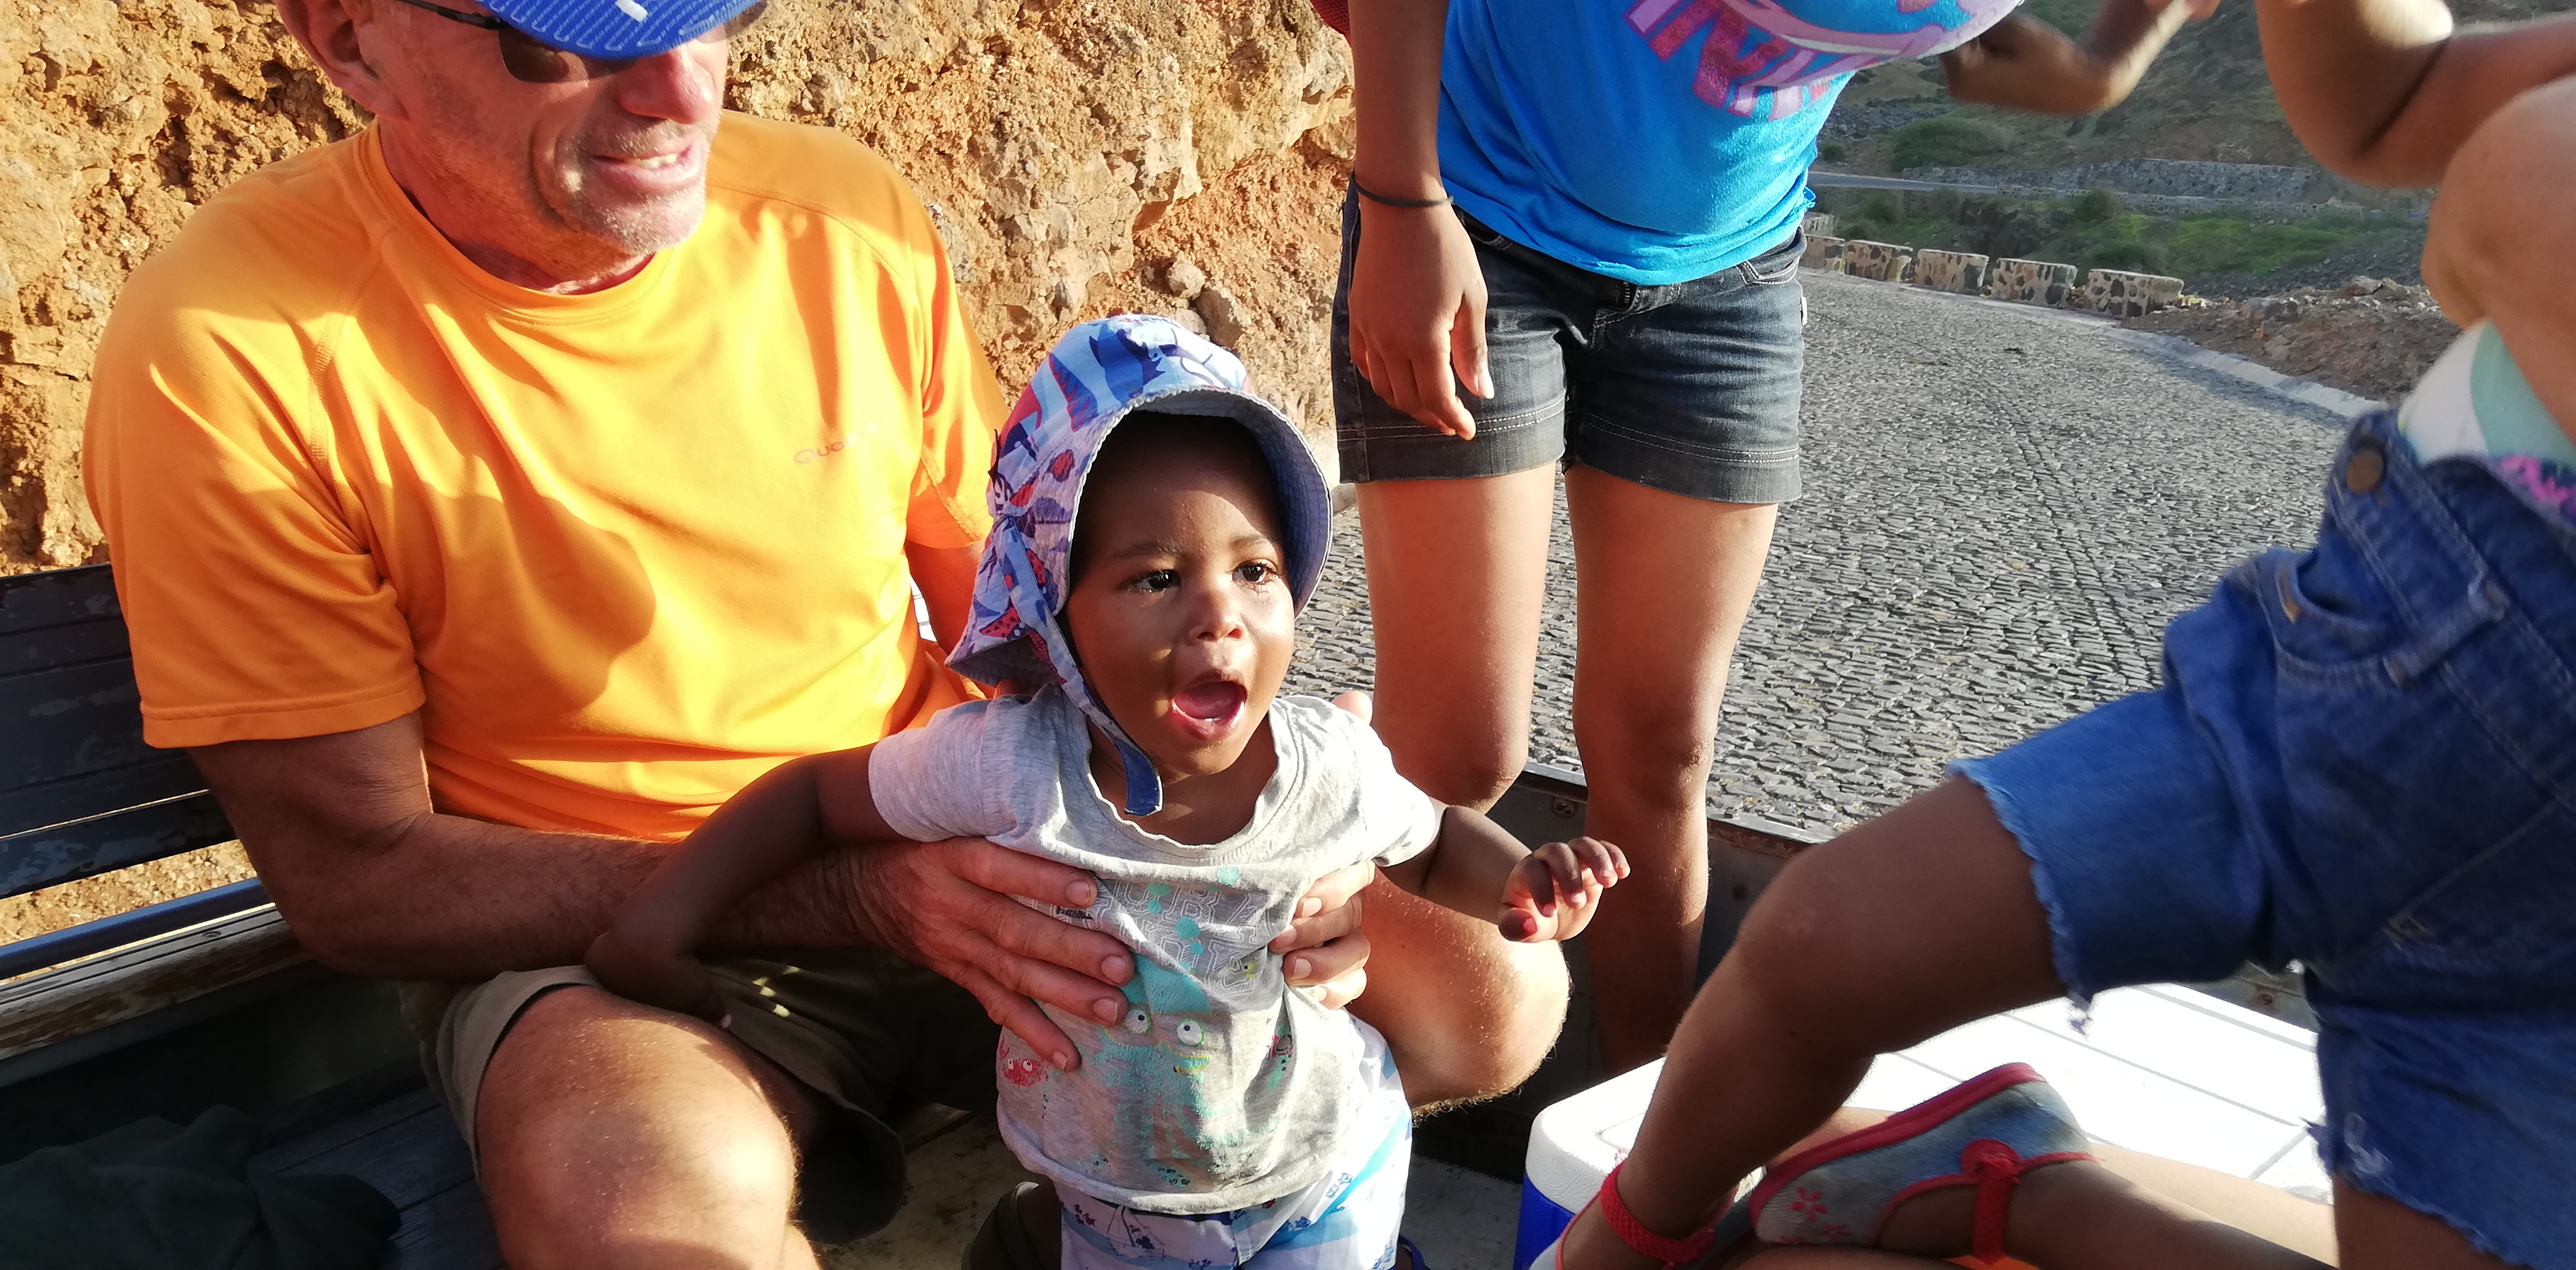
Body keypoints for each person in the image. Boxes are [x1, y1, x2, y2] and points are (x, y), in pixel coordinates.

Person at [77, 3, 1569, 1266]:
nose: (679, 96)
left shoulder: (840, 218)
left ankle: (1098, 1219)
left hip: (985, 840)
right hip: (617, 937)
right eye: (566, 43)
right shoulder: (232, 348)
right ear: (349, 38)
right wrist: (864, 896)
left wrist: (1260, 801)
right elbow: (361, 884)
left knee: (1497, 992)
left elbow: (1019, 616)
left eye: (709, 16)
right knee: (640, 1218)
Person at [1527, 0, 2576, 1263]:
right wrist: (2116, 53)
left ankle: (2039, 1190)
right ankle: (1629, 1240)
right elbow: (2398, 105)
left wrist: (2518, 180)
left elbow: (2514, 197)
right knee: (1818, 943)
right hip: (2341, 697)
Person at [588, 316, 1631, 1269]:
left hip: (1320, 1167)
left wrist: (1524, 881)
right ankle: (1034, 1235)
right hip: (1112, 1200)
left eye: (1256, 571)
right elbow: (815, 797)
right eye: (1156, 579)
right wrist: (658, 925)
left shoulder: (1327, 763)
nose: (1221, 614)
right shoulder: (1006, 766)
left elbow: (1434, 844)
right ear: (1057, 616)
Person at [1334, 0, 2217, 1071]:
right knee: (1455, 754)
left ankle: (1639, 1138)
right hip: (1475, 218)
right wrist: (1400, 199)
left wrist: (2123, 48)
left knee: (1662, 750)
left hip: (1730, 282)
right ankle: (1326, 1094)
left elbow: (2003, 52)